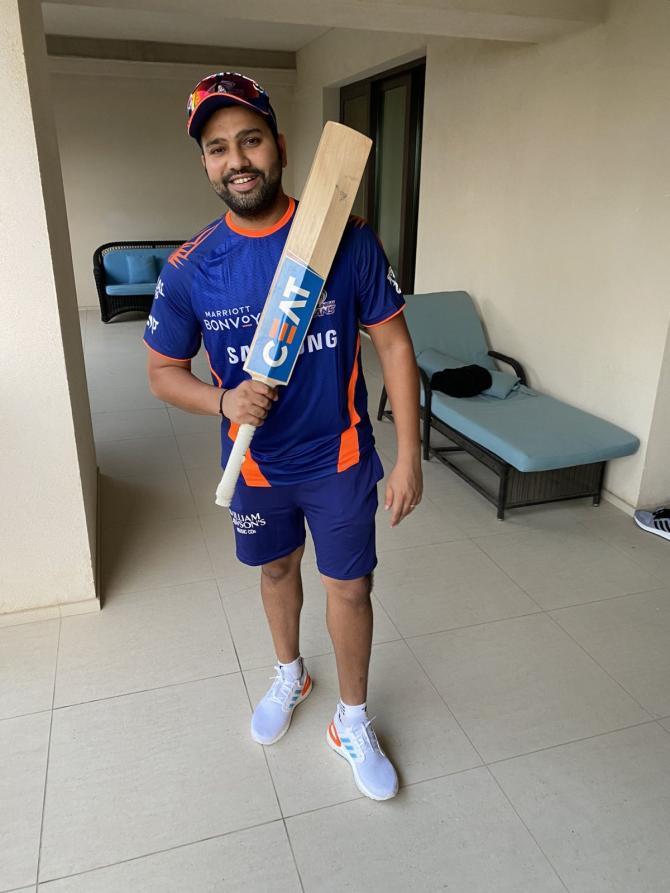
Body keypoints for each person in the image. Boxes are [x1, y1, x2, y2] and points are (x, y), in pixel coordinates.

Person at [144, 72, 422, 801]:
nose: (236, 158)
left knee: (351, 586)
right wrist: (223, 399)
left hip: (341, 456)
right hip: (257, 466)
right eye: (217, 147)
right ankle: (290, 672)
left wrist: (410, 456)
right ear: (204, 162)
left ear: (280, 146)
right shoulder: (190, 266)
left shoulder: (349, 241)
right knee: (275, 573)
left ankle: (351, 719)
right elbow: (161, 372)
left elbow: (394, 345)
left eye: (250, 139)